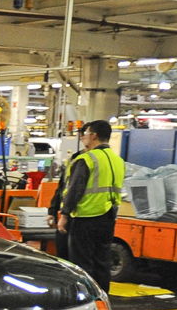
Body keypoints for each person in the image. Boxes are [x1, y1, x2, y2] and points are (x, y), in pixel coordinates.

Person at [58, 120, 124, 291]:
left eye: (86, 134)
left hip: (85, 218)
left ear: (93, 135)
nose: (83, 137)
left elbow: (74, 190)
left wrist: (64, 215)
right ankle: (102, 301)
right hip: (108, 217)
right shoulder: (118, 161)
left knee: (82, 264)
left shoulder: (86, 159)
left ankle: (85, 301)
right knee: (102, 262)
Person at [47, 143, 85, 260]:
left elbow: (75, 191)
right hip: (67, 216)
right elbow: (61, 189)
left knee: (77, 258)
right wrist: (52, 211)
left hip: (81, 218)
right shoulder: (74, 159)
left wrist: (64, 215)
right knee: (63, 254)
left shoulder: (89, 161)